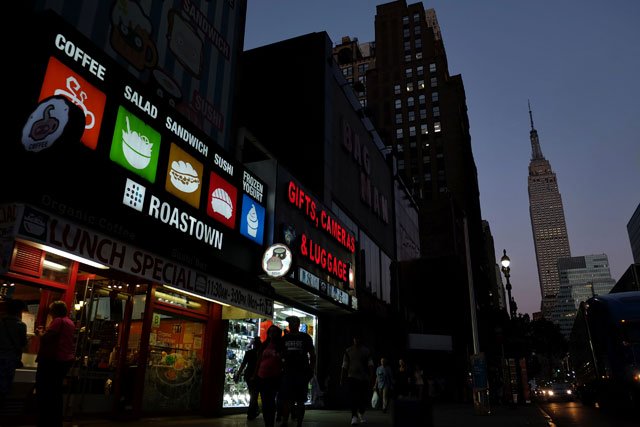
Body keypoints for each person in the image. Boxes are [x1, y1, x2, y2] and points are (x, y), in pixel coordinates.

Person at [35, 300, 76, 427]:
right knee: (56, 391)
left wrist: (40, 333)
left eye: (51, 311)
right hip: (65, 360)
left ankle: (45, 419)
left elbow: (47, 338)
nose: (50, 313)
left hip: (53, 359)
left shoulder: (58, 321)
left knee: (45, 390)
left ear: (55, 311)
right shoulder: (70, 322)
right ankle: (56, 419)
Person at [279, 315, 316, 427]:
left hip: (300, 372)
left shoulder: (304, 337)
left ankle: (296, 423)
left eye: (292, 323)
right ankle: (286, 421)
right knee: (288, 399)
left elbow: (312, 355)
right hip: (290, 372)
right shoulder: (285, 338)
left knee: (298, 400)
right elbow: (280, 355)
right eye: (290, 323)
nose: (290, 325)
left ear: (297, 324)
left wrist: (311, 370)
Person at [340, 333, 374, 426]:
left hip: (363, 378)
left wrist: (371, 377)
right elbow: (344, 365)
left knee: (363, 397)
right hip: (352, 377)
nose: (356, 340)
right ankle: (354, 416)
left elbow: (370, 364)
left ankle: (360, 412)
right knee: (354, 397)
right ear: (353, 339)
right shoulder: (348, 351)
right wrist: (342, 378)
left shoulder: (366, 351)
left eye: (358, 338)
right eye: (355, 338)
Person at [0, 299, 28, 407]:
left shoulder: (1, 323)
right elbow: (23, 343)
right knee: (5, 386)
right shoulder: (21, 325)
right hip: (10, 359)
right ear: (19, 311)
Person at [256, 325, 283, 427]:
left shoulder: (280, 345)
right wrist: (255, 374)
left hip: (274, 377)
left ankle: (270, 422)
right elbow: (259, 360)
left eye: (274, 331)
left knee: (270, 401)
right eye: (270, 331)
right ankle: (267, 422)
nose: (272, 333)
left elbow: (283, 360)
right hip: (262, 375)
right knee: (264, 402)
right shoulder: (265, 344)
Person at [235, 336, 262, 420]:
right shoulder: (261, 353)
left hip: (248, 374)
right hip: (257, 375)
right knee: (254, 393)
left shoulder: (249, 353)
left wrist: (238, 374)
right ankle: (252, 412)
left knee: (252, 393)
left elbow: (243, 364)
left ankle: (253, 411)